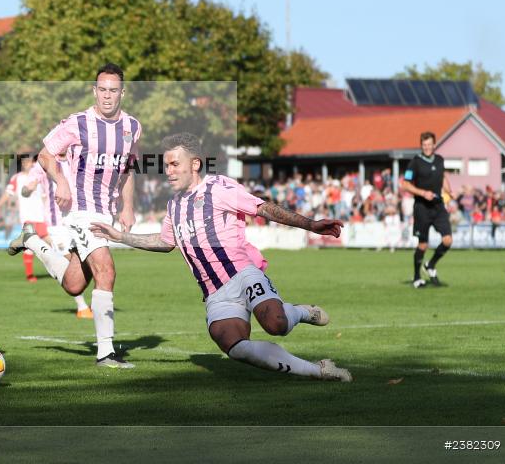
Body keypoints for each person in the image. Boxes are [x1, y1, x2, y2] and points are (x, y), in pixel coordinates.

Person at [91, 133, 352, 382]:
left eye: (174, 164)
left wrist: (311, 224)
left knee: (276, 324)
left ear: (195, 164)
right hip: (215, 293)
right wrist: (120, 237)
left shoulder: (219, 187)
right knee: (234, 346)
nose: (168, 171)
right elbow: (165, 241)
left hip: (243, 275)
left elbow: (263, 208)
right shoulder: (175, 205)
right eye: (165, 165)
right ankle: (319, 371)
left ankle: (298, 312)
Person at [8, 63, 140, 368]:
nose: (108, 96)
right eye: (102, 90)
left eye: (114, 90)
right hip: (80, 210)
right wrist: (62, 180)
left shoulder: (133, 127)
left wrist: (128, 206)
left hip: (106, 211)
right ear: (95, 91)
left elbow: (128, 168)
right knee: (106, 269)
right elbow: (44, 154)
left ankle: (33, 241)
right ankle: (106, 352)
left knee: (74, 285)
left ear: (123, 92)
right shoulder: (77, 123)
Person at [17, 158, 93, 318]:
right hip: (56, 222)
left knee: (89, 259)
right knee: (68, 262)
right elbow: (26, 189)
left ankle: (94, 304)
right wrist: (27, 189)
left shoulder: (77, 158)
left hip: (79, 218)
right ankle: (82, 307)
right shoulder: (44, 163)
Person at [401, 131, 454, 288]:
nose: (427, 147)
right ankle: (417, 277)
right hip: (422, 207)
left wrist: (450, 191)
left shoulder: (439, 160)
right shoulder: (415, 162)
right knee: (423, 245)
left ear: (434, 145)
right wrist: (423, 193)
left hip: (438, 206)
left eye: (430, 144)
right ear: (421, 145)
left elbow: (443, 177)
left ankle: (430, 265)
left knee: (448, 240)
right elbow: (406, 184)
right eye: (424, 145)